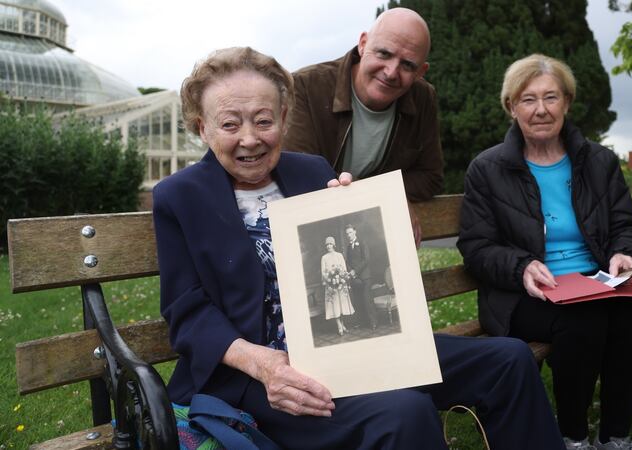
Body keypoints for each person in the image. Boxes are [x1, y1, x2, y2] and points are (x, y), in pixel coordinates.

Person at [154, 46, 564, 450]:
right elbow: (187, 312)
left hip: (353, 346)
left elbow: (360, 257)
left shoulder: (311, 170)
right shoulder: (180, 197)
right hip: (261, 377)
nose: (250, 139)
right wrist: (263, 364)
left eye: (263, 121)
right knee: (404, 412)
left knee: (509, 360)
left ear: (282, 118)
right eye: (229, 124)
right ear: (201, 128)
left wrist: (369, 219)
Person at [458, 53, 632, 450]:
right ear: (511, 108)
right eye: (528, 99)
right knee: (582, 321)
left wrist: (625, 254)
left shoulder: (599, 162)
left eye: (551, 97)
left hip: (596, 282)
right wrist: (521, 266)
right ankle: (573, 436)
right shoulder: (487, 168)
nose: (541, 109)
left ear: (566, 102)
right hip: (525, 293)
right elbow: (476, 247)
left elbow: (626, 226)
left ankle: (616, 436)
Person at [284, 7, 444, 245]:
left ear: (421, 72)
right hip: (311, 233)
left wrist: (389, 195)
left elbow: (430, 176)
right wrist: (385, 196)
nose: (391, 72)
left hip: (371, 239)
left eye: (408, 65)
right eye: (383, 54)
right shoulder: (305, 86)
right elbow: (298, 176)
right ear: (362, 44)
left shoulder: (423, 98)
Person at [343, 224, 377, 329]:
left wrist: (355, 271)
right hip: (355, 278)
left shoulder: (362, 243)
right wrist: (350, 272)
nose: (349, 235)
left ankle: (373, 322)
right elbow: (347, 261)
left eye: (350, 232)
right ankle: (363, 322)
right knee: (358, 301)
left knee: (367, 300)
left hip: (365, 276)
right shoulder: (348, 247)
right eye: (347, 233)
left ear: (355, 231)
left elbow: (366, 259)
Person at [321, 236, 355, 336]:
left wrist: (341, 278)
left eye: (330, 244)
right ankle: (339, 326)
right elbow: (323, 272)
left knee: (341, 305)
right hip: (331, 285)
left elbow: (343, 269)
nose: (328, 246)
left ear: (334, 245)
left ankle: (343, 324)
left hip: (341, 284)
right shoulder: (324, 257)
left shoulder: (339, 255)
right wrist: (330, 280)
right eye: (327, 244)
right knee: (334, 305)